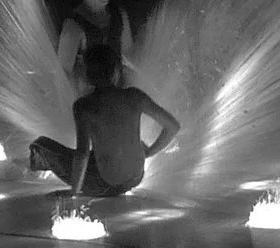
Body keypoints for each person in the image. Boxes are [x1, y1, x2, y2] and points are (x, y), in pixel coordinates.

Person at [28, 44, 180, 196]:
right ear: (116, 70)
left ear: (87, 73)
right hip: (135, 177)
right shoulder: (135, 96)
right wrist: (148, 153)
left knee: (40, 145)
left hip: (104, 185)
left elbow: (82, 154)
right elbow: (173, 127)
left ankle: (32, 171)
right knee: (117, 146)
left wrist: (74, 192)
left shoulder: (84, 106)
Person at [57, 0, 134, 95]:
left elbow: (130, 58)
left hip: (118, 98)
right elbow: (63, 75)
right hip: (89, 102)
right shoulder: (73, 26)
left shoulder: (119, 16)